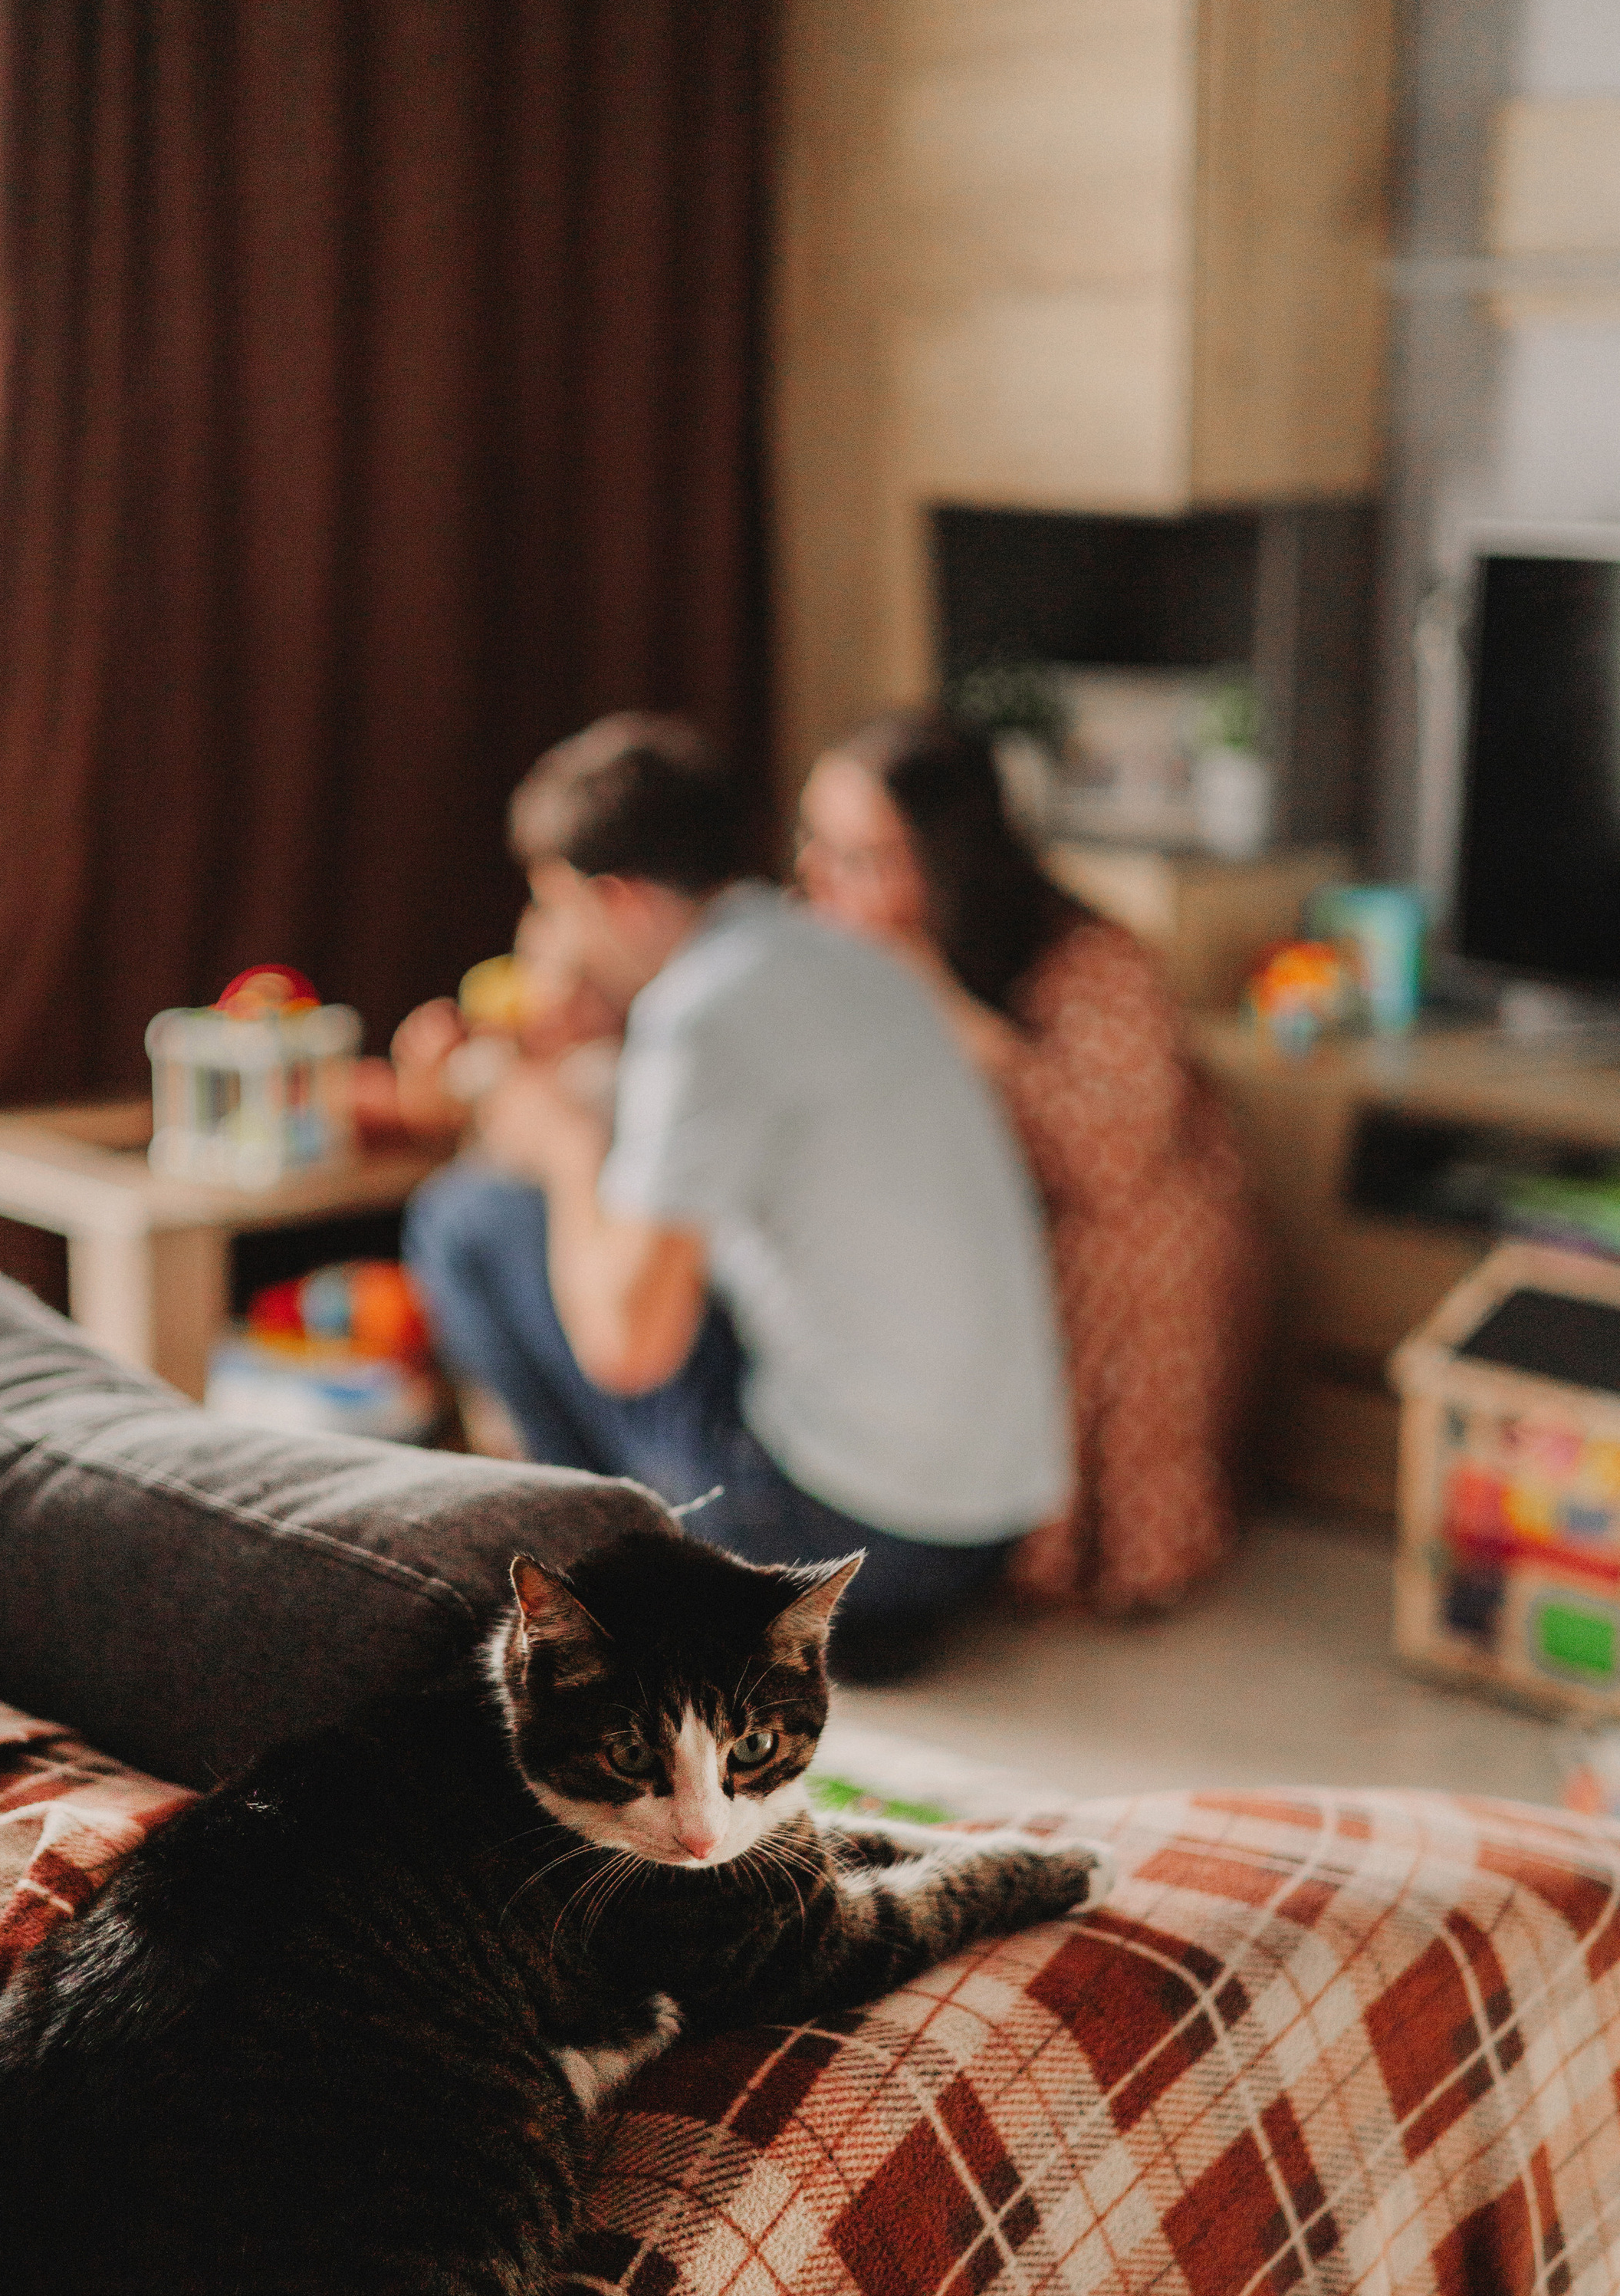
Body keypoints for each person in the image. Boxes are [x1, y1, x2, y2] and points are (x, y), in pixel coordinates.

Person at [403, 712, 1069, 1666]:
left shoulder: (702, 1012)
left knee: (467, 1220)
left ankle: (603, 1588)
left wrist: (567, 1147)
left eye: (557, 908)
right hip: (988, 1531)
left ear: (620, 900)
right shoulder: (839, 955)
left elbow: (626, 1349)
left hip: (843, 1548)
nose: (553, 940)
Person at [796, 710, 1263, 1614]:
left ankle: (1058, 1543)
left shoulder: (1090, 959)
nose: (819, 879)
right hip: (934, 1201)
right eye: (813, 843)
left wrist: (938, 1001)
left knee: (1133, 1239)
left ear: (945, 864)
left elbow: (1113, 1157)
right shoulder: (820, 938)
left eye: (860, 858)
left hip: (1099, 1210)